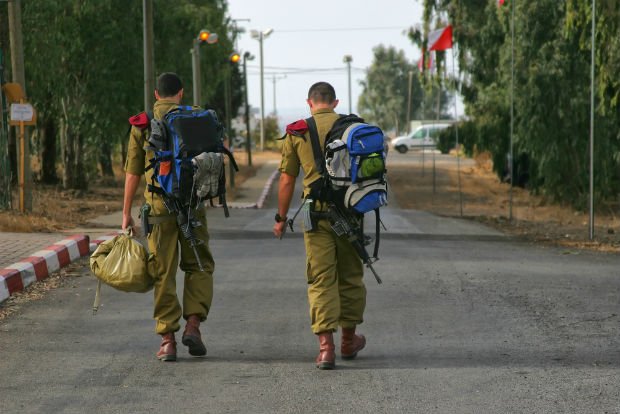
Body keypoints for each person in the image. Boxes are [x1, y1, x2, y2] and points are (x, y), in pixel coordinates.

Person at [273, 81, 367, 370]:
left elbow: (287, 179)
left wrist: (281, 218)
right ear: (335, 103)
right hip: (351, 213)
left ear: (309, 103)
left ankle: (326, 349)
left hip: (315, 216)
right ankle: (348, 341)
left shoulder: (297, 131)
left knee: (320, 278)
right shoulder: (353, 128)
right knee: (350, 276)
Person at [122, 72, 215, 362]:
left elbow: (133, 172)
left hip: (159, 209)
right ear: (181, 93)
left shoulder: (144, 123)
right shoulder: (199, 117)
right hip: (192, 205)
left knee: (163, 271)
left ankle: (167, 341)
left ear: (156, 95)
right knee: (199, 266)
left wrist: (126, 213)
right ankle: (193, 325)